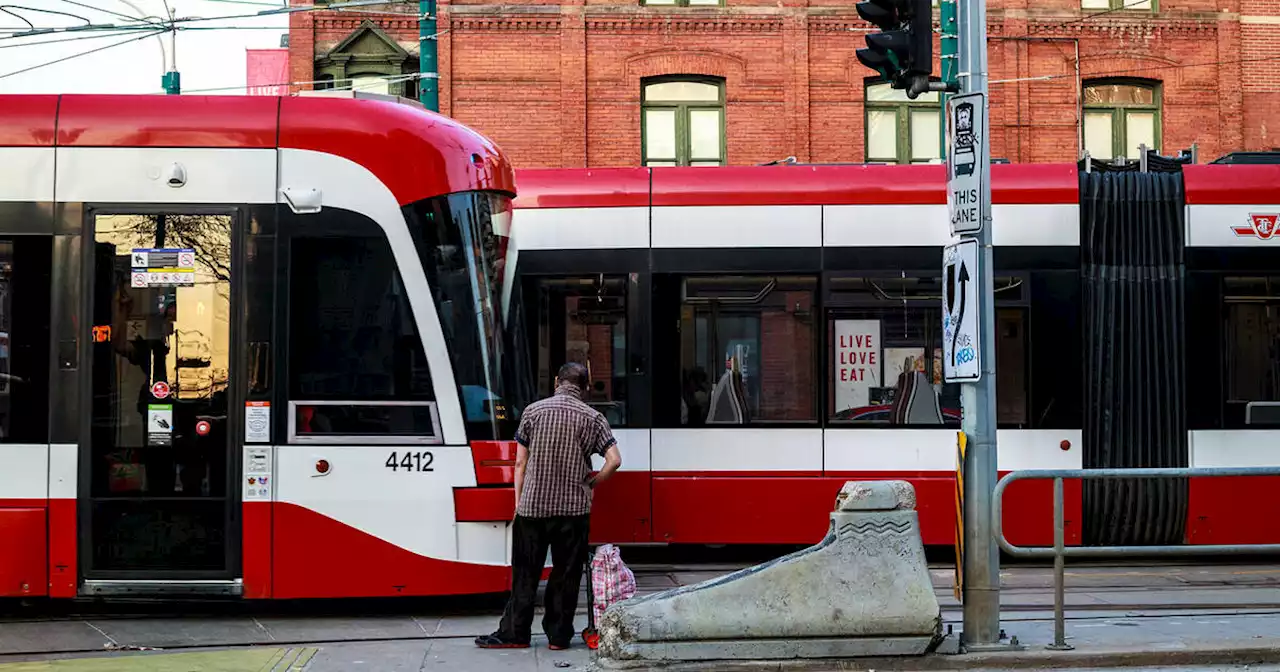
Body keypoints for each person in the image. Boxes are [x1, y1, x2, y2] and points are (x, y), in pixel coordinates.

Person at [475, 361, 622, 650]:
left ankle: (516, 633)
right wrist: (592, 483)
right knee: (566, 575)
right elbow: (614, 460)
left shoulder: (533, 411)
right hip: (573, 511)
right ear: (585, 386)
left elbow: (520, 462)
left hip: (533, 509)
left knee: (526, 573)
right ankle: (558, 637)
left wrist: (519, 502)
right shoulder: (593, 418)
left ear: (557, 381)